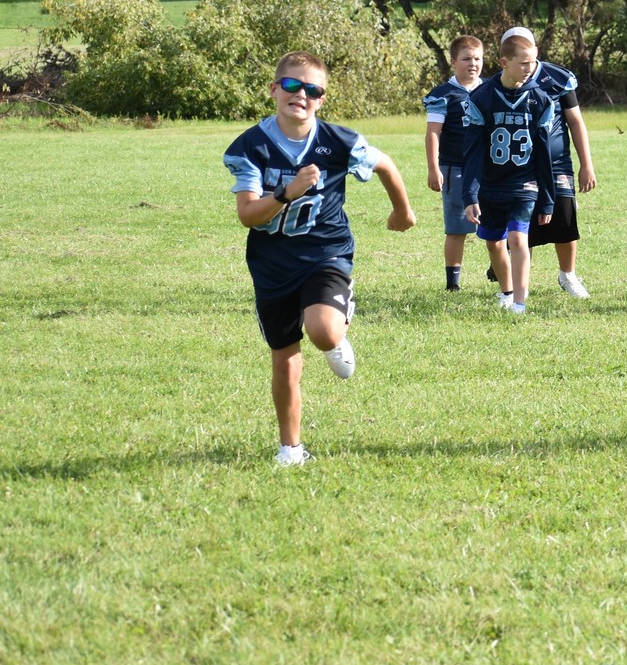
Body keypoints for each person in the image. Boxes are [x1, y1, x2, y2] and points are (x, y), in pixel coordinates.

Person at [222, 53, 417, 466]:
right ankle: (291, 449)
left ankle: (336, 327)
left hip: (325, 253)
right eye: (292, 86)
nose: (301, 95)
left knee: (324, 332)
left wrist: (403, 211)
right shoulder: (250, 146)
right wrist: (286, 193)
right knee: (284, 360)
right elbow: (248, 215)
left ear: (322, 99)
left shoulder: (338, 141)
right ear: (274, 89)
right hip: (272, 266)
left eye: (312, 90)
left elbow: (385, 165)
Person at [463, 33, 560, 315]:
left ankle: (520, 302)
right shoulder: (481, 98)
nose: (530, 69)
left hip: (524, 183)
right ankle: (506, 292)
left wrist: (548, 199)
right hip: (491, 185)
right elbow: (472, 152)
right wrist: (470, 194)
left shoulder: (540, 99)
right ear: (504, 63)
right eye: (524, 63)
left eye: (533, 62)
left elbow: (544, 154)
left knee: (518, 239)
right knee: (494, 243)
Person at [505, 27, 596, 300]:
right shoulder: (504, 81)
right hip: (519, 165)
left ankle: (568, 274)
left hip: (557, 163)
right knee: (522, 223)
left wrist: (586, 164)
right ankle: (520, 282)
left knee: (565, 219)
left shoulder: (558, 78)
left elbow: (575, 122)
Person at [423, 34, 486, 292]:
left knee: (497, 223)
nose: (473, 64)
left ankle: (499, 267)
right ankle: (453, 283)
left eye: (478, 59)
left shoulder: (491, 89)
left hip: (488, 169)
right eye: (467, 59)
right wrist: (433, 168)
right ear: (453, 62)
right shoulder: (444, 95)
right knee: (457, 228)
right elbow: (433, 133)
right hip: (455, 167)